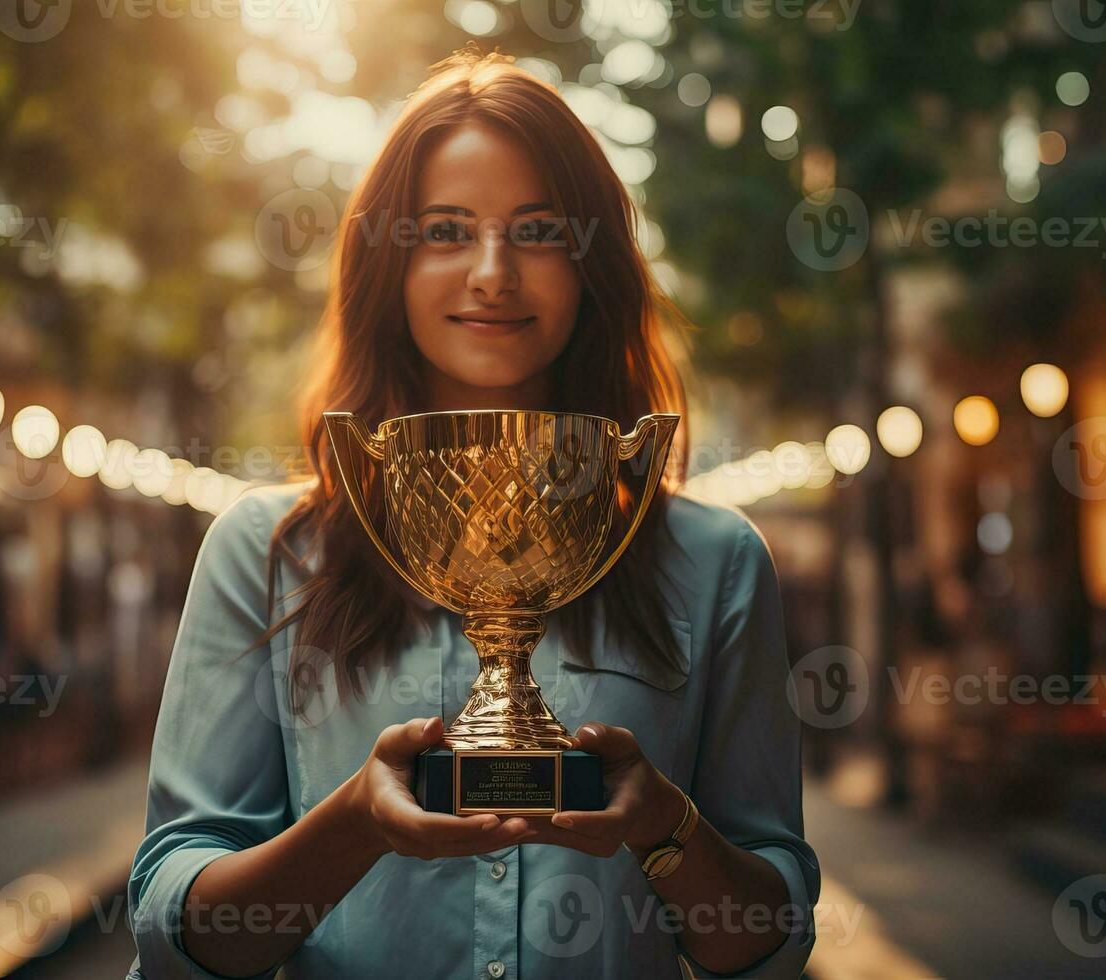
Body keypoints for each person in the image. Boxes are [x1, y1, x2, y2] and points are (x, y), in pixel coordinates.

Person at [127, 47, 819, 980]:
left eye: (537, 232)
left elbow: (766, 944)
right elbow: (175, 931)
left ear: (591, 268)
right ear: (389, 264)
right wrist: (355, 826)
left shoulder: (714, 560)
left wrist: (664, 827)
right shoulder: (267, 552)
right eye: (446, 231)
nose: (493, 274)